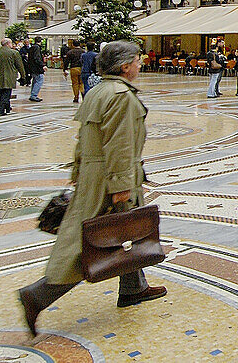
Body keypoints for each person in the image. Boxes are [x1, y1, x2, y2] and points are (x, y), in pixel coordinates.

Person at [18, 41, 165, 336]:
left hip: (94, 174)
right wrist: (121, 186)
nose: (141, 64)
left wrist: (78, 169)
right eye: (137, 60)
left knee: (128, 230)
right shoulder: (121, 96)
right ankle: (38, 295)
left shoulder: (97, 91)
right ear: (125, 66)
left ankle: (134, 288)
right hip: (111, 178)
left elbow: (84, 137)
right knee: (93, 242)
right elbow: (120, 144)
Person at [0, 38, 25, 116]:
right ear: (8, 44)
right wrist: (23, 76)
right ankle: (0, 110)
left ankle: (7, 108)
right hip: (10, 76)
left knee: (2, 93)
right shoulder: (14, 53)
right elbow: (20, 66)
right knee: (6, 94)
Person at [26, 37, 46, 102]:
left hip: (32, 68)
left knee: (35, 81)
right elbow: (37, 58)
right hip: (37, 68)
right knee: (39, 81)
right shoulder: (37, 48)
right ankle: (34, 95)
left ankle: (33, 94)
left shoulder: (32, 47)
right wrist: (42, 65)